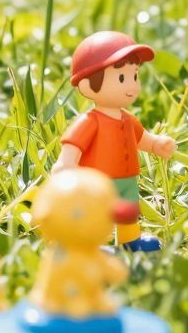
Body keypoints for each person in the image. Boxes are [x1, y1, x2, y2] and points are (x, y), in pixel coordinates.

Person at [55, 31, 177, 250]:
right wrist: (65, 164)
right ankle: (91, 243)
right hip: (97, 182)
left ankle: (130, 241)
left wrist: (158, 144)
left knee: (128, 211)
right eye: (122, 78)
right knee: (96, 212)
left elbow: (142, 139)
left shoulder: (128, 119)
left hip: (128, 180)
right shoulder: (90, 121)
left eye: (135, 76)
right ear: (87, 84)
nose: (132, 86)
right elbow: (73, 145)